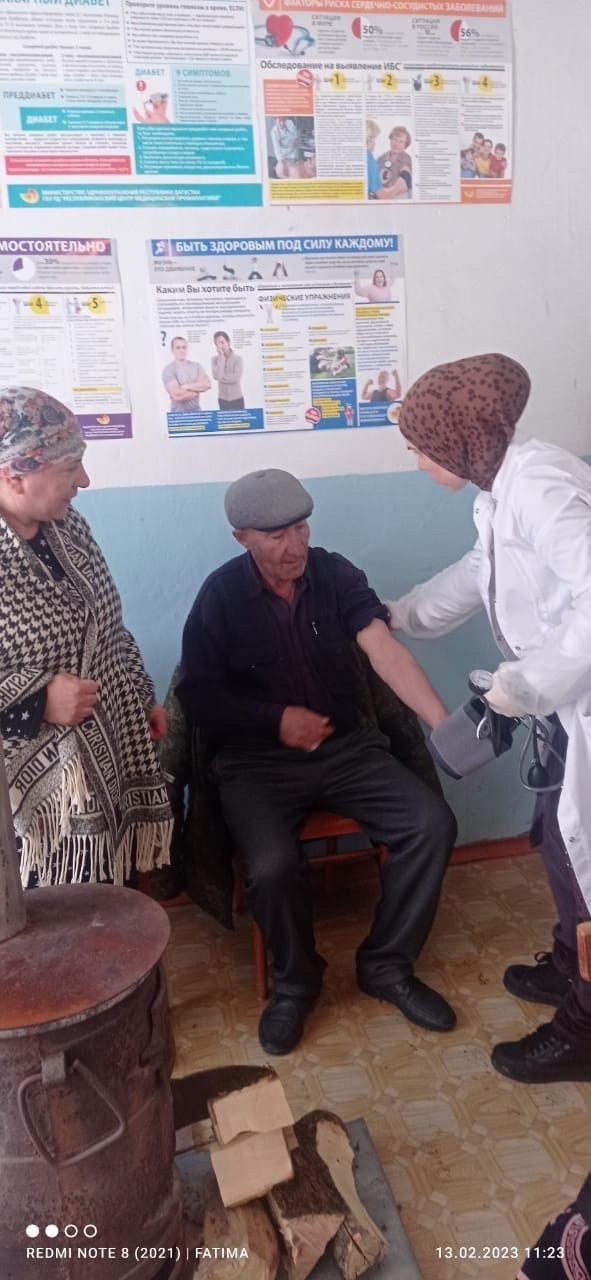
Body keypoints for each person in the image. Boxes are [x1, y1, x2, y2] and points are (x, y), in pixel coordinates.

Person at [177, 469, 457, 1055]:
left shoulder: (335, 574)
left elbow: (385, 652)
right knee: (272, 866)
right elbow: (198, 697)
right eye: (276, 535)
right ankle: (296, 985)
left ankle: (386, 965)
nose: (295, 545)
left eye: (302, 527)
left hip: (346, 748)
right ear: (242, 538)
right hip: (257, 763)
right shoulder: (220, 596)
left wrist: (445, 723)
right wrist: (275, 721)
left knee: (431, 824)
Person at [386, 352, 591, 1084]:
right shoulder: (501, 487)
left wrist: (524, 685)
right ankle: (570, 964)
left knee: (580, 864)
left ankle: (585, 1028)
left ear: (458, 439)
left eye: (420, 447)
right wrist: (400, 613)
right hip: (560, 703)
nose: (415, 462)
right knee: (554, 839)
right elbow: (482, 572)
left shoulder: (539, 485)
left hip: (574, 695)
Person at [0, 387, 172, 888]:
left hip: (104, 765)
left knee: (104, 908)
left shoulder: (68, 527)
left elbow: (108, 627)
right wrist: (36, 702)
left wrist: (140, 696)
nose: (84, 481)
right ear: (15, 474)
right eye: (71, 467)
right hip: (27, 810)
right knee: (45, 922)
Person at [162, 336, 211, 414]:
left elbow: (207, 384)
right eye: (178, 348)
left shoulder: (196, 366)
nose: (182, 350)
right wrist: (198, 390)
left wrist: (187, 386)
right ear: (172, 350)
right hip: (178, 415)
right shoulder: (168, 370)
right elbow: (177, 395)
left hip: (197, 413)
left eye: (184, 347)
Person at [376, 127, 412, 199]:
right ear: (390, 140)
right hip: (380, 194)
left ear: (405, 145)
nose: (396, 144)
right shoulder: (381, 158)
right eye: (394, 139)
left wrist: (388, 193)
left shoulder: (407, 158)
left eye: (401, 142)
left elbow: (405, 177)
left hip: (398, 196)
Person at [211, 332, 244, 411]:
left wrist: (221, 377)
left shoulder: (238, 359)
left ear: (228, 342)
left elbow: (235, 378)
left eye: (222, 342)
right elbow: (216, 376)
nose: (221, 346)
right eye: (217, 344)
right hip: (222, 400)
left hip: (237, 399)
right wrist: (221, 358)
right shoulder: (214, 359)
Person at [366, 119, 382, 198]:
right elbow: (375, 189)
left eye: (374, 138)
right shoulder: (369, 158)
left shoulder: (369, 157)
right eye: (371, 137)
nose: (373, 141)